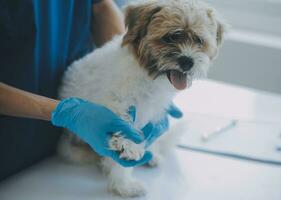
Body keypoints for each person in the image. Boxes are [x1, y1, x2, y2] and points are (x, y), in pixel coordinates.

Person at [0, 0, 182, 181]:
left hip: (66, 144)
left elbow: (100, 5)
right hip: (10, 145)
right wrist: (66, 112)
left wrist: (132, 68)